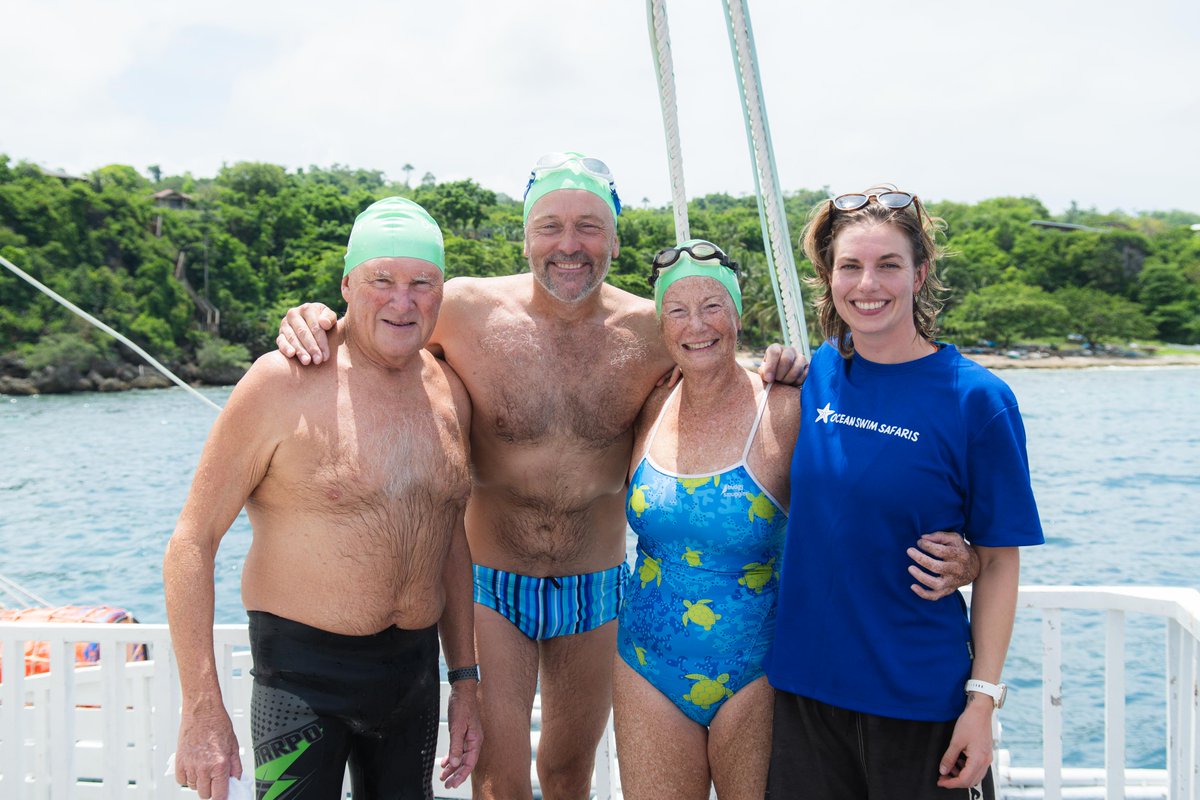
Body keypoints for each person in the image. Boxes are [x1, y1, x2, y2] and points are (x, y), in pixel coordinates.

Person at [275, 156, 968, 799]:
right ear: (525, 236)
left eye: (588, 227)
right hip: (494, 581)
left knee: (569, 770)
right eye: (550, 226)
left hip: (598, 582)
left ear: (613, 237)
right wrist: (315, 321)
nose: (568, 243)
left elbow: (728, 378)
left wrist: (786, 370)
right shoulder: (462, 308)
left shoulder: (652, 326)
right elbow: (382, 326)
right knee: (502, 774)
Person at [611, 241, 979, 800]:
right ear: (661, 324)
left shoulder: (788, 405)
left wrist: (968, 556)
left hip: (759, 671)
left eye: (713, 305)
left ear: (737, 315)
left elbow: (864, 491)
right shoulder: (648, 406)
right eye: (678, 310)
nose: (696, 325)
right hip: (645, 665)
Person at [164, 197, 482, 800]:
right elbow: (191, 541)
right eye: (380, 280)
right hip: (303, 682)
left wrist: (465, 680)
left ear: (441, 293)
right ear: (345, 285)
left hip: (413, 680)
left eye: (422, 283)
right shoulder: (282, 381)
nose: (402, 299)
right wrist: (201, 708)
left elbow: (449, 537)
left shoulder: (450, 392)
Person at [764, 187, 1045, 799]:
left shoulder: (978, 400)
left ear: (919, 276)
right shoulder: (811, 379)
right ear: (829, 278)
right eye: (851, 266)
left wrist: (982, 705)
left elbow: (998, 560)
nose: (869, 284)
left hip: (922, 704)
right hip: (804, 698)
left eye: (888, 265)